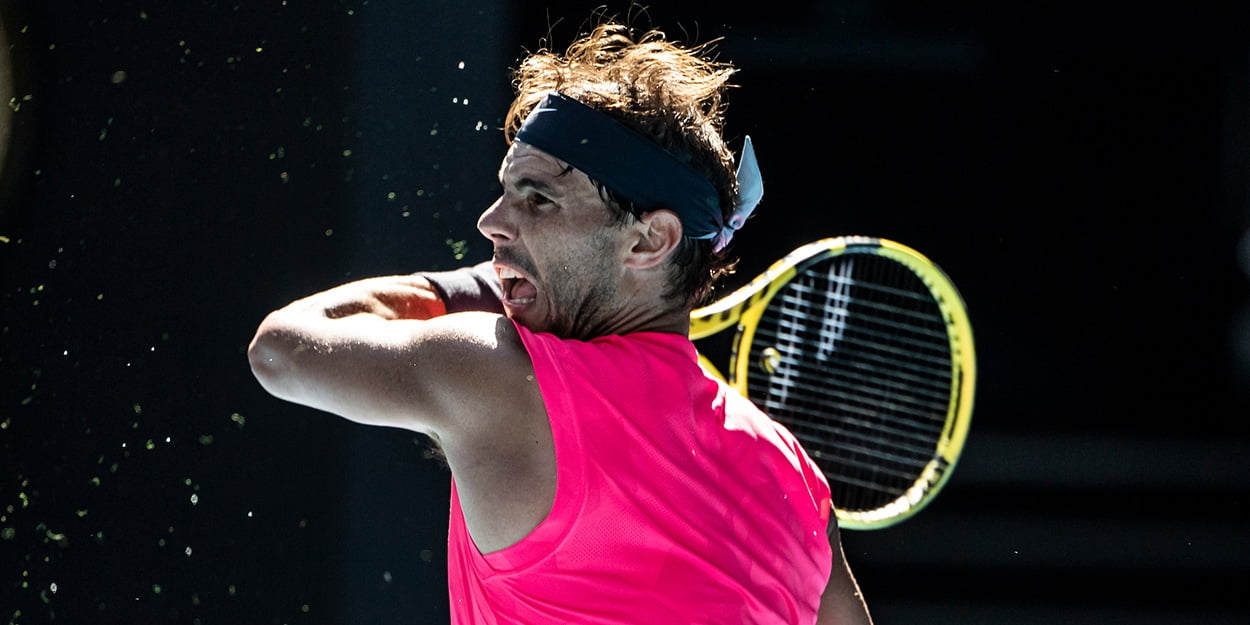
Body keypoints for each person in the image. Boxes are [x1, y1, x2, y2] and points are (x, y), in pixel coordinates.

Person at [248, 18, 873, 625]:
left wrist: (475, 285)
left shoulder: (499, 374)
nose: (491, 222)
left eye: (537, 199)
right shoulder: (794, 477)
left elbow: (281, 351)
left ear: (650, 240)